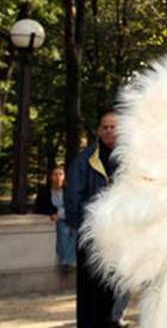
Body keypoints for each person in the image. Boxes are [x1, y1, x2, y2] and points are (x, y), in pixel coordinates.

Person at [65, 111, 129, 328]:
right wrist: (102, 215)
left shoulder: (132, 161)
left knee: (113, 294)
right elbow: (73, 202)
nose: (110, 131)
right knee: (90, 297)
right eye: (106, 127)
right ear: (99, 131)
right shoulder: (84, 162)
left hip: (119, 240)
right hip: (93, 240)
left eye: (114, 127)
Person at [35, 165, 77, 271]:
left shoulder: (69, 190)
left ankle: (69, 260)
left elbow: (74, 205)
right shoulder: (44, 191)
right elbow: (39, 208)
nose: (58, 177)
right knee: (63, 231)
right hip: (58, 218)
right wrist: (51, 214)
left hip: (69, 215)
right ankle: (66, 262)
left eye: (61, 174)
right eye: (55, 174)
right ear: (50, 177)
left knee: (76, 231)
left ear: (64, 177)